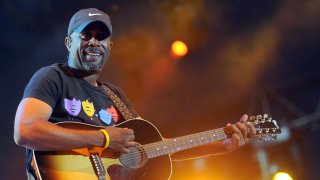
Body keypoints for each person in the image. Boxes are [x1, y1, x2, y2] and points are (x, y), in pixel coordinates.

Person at [14, 8, 255, 180]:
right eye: (85, 35)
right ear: (69, 42)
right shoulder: (53, 77)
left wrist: (218, 146)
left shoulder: (113, 94)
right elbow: (25, 130)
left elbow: (154, 148)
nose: (94, 42)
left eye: (101, 37)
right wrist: (103, 139)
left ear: (110, 46)